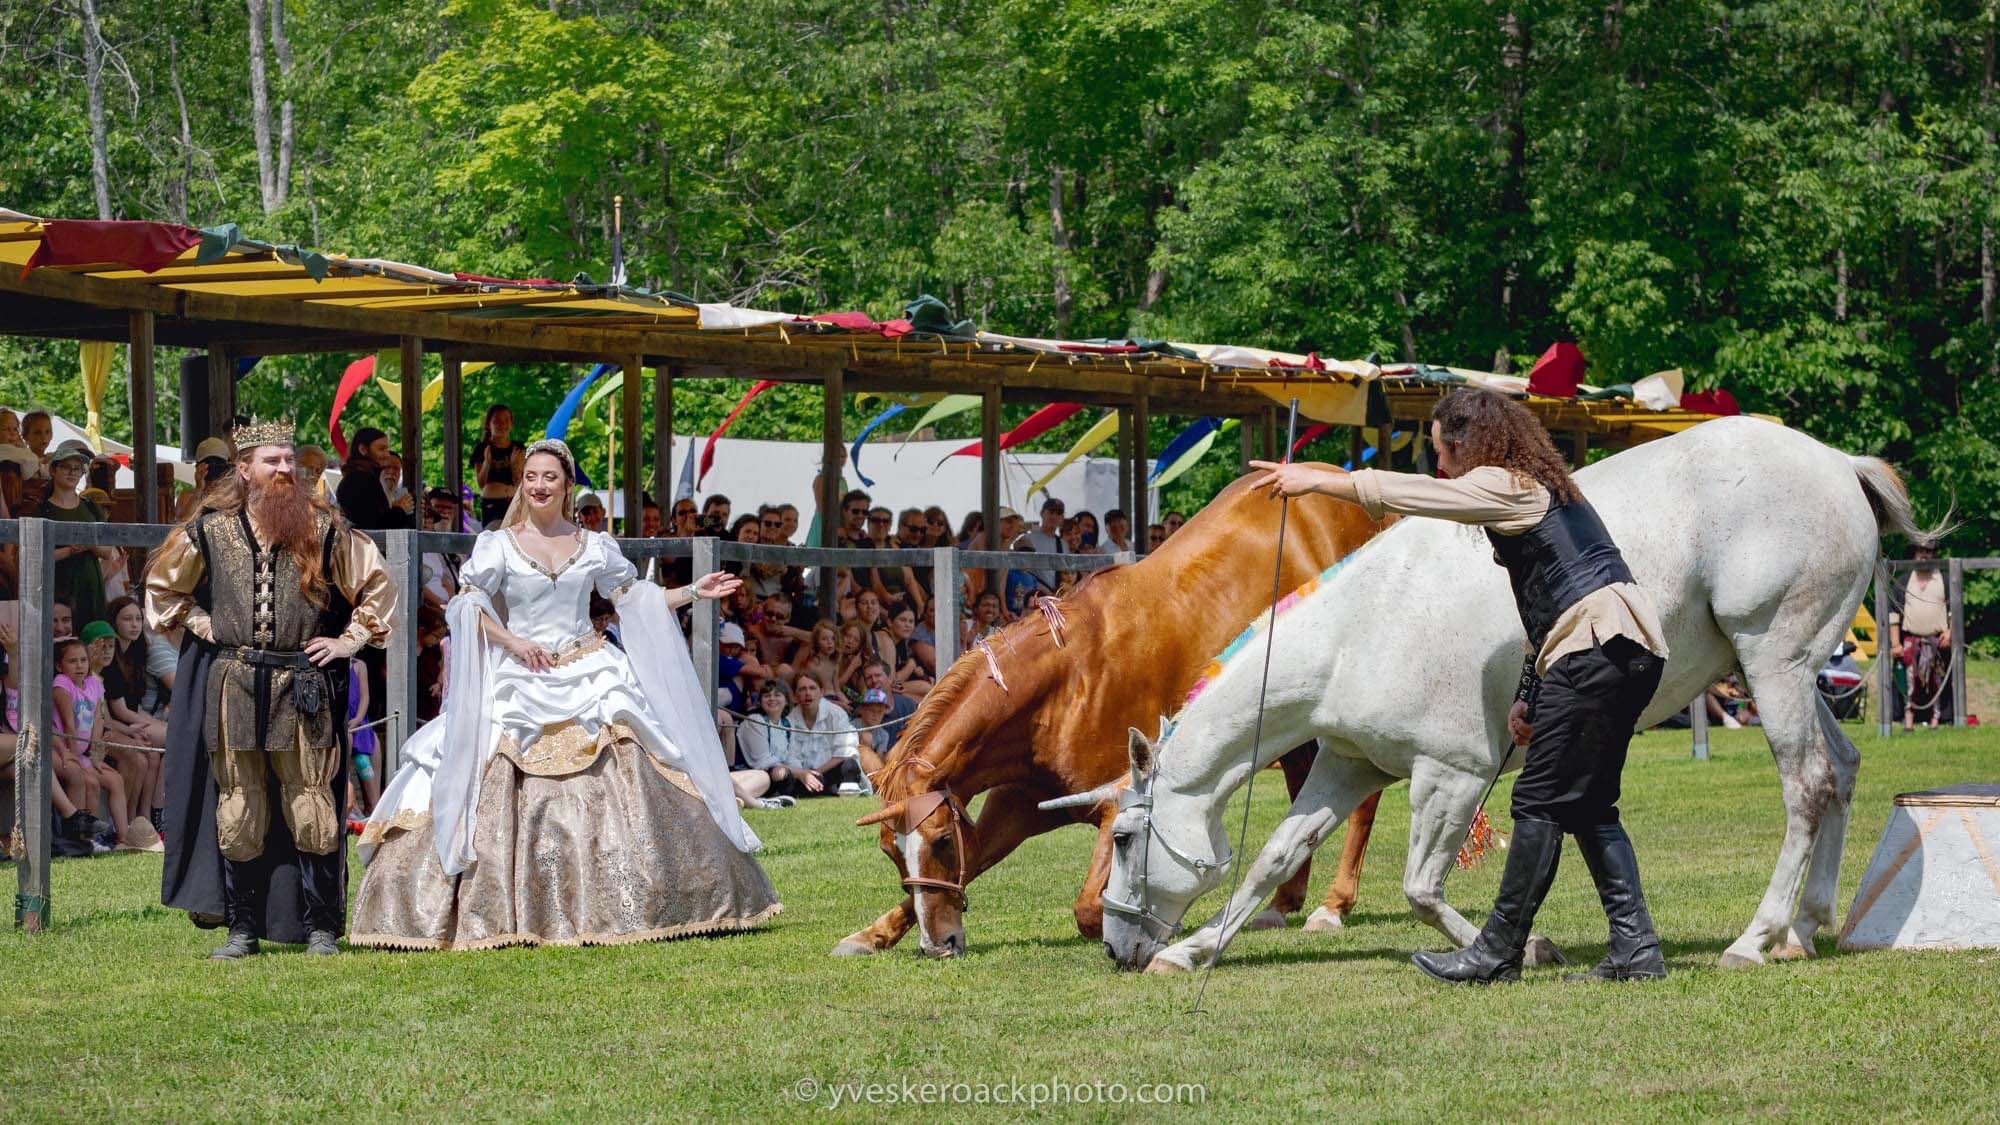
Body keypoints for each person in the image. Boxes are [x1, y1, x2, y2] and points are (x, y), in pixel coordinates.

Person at [1252, 386, 1670, 985]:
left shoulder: (1508, 485)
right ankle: (1636, 950)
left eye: (1442, 450)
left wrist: (1318, 479)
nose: (1440, 464)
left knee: (1538, 803)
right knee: (1590, 805)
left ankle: (1497, 952)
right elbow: (1547, 602)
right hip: (1627, 648)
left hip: (1594, 647)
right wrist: (1532, 689)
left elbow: (1420, 494)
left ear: (1466, 443)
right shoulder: (1544, 488)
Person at [349, 438, 779, 950]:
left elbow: (632, 597)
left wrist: (690, 592)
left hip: (589, 669)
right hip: (520, 672)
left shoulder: (594, 544)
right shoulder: (497, 544)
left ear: (567, 485)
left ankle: (641, 898)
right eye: (531, 477)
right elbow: (468, 606)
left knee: (634, 764)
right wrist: (512, 641)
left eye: (549, 477)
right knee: (491, 765)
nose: (538, 486)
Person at [146, 419, 398, 958]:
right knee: (239, 804)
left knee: (312, 803)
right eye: (272, 461)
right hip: (234, 683)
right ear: (245, 469)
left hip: (301, 685)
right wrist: (204, 626)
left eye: (290, 461)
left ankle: (322, 927)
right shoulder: (211, 530)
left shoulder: (325, 528)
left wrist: (348, 640)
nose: (285, 470)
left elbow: (376, 584)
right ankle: (242, 929)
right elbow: (163, 589)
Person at [740, 672, 865, 799]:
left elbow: (844, 752)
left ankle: (835, 788)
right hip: (798, 775)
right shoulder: (787, 720)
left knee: (849, 765)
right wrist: (803, 774)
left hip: (826, 771)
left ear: (821, 691)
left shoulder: (836, 714)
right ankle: (820, 789)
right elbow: (786, 757)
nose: (807, 693)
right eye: (802, 689)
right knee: (783, 775)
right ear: (795, 696)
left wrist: (814, 773)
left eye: (812, 688)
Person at [40, 439, 119, 632]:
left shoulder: (91, 507)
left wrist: (89, 544)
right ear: (53, 470)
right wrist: (69, 550)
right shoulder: (43, 510)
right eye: (67, 467)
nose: (72, 472)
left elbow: (107, 551)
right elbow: (36, 557)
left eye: (77, 468)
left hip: (90, 587)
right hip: (59, 588)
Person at [1889, 542, 1952, 731]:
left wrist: (1949, 633)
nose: (1924, 556)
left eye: (1929, 552)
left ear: (1934, 555)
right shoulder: (1903, 581)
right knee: (1909, 683)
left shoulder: (1946, 580)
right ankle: (1908, 721)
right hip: (1910, 642)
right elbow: (1894, 615)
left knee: (1937, 682)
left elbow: (1953, 611)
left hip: (1937, 643)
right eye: (1921, 551)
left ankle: (1936, 720)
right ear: (1915, 554)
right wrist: (1895, 643)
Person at [469, 404, 524, 526]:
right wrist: (487, 463)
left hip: (515, 502)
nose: (502, 425)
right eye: (497, 421)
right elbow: (481, 484)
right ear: (489, 424)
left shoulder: (518, 448)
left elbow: (518, 482)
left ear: (511, 424)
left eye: (506, 420)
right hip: (492, 503)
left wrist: (515, 465)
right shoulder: (482, 448)